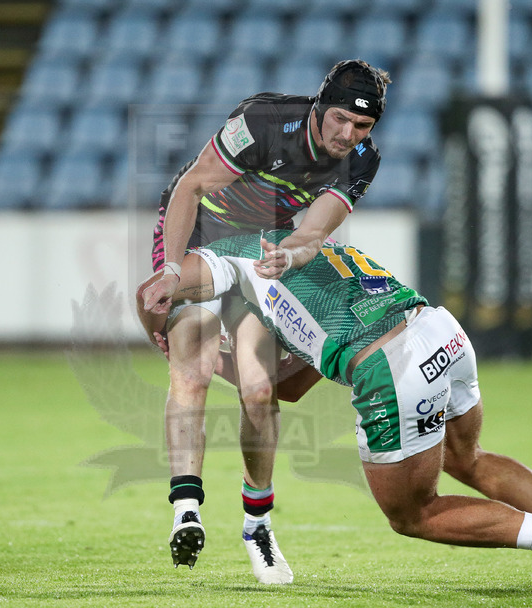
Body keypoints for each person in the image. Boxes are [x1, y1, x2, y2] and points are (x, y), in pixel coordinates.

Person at [137, 230, 532, 591]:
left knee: (412, 513)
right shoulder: (305, 253)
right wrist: (232, 365)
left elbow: (155, 291)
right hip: (441, 332)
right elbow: (292, 386)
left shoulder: (231, 261)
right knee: (468, 458)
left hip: (393, 366)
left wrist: (170, 344)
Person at [140, 59, 391, 582]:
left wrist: (291, 258)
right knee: (195, 367)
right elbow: (191, 188)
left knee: (258, 392)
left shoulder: (363, 159)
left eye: (362, 126)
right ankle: (186, 509)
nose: (349, 134)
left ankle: (258, 523)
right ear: (321, 108)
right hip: (201, 238)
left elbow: (313, 231)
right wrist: (167, 269)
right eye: (341, 119)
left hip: (261, 251)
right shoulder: (264, 122)